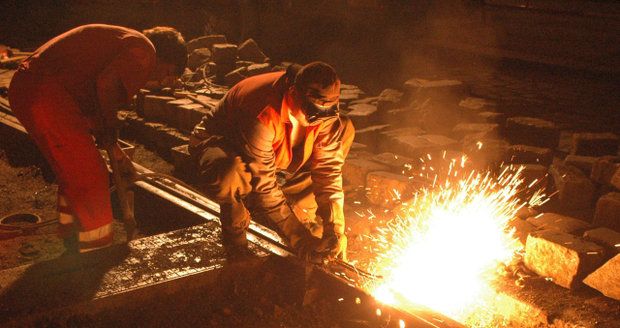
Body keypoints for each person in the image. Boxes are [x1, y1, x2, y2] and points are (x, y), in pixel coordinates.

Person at [8, 24, 187, 253]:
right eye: (167, 75)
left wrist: (118, 155)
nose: (159, 81)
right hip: (45, 93)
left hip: (35, 88)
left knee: (75, 172)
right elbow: (107, 85)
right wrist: (111, 126)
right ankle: (96, 251)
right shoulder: (144, 51)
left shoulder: (119, 44)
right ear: (166, 60)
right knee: (91, 175)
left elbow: (93, 105)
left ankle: (72, 237)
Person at [189, 62, 354, 262]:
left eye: (327, 111)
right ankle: (235, 232)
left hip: (273, 148)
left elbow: (328, 172)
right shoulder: (261, 112)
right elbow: (264, 187)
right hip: (223, 145)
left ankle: (299, 210)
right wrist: (299, 239)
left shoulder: (323, 115)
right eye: (313, 112)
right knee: (229, 172)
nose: (320, 120)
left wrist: (335, 230)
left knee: (344, 129)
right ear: (293, 94)